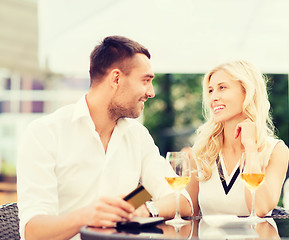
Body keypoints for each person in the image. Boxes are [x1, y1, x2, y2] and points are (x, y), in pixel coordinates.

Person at [16, 35, 192, 240]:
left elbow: (183, 201)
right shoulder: (43, 134)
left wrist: (145, 209)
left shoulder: (137, 135)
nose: (151, 92)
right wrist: (87, 216)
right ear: (116, 79)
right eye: (145, 81)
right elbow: (33, 233)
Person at [186, 60, 289, 216]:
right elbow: (187, 210)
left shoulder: (276, 151)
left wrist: (250, 147)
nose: (213, 97)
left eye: (222, 88)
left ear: (247, 92)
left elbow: (259, 208)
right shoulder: (202, 151)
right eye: (211, 90)